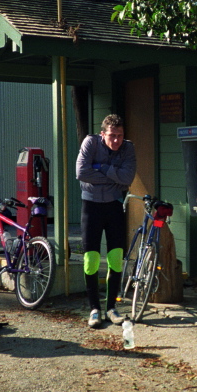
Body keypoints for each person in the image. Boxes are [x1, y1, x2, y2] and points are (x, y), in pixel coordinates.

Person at [75, 114, 136, 328]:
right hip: (90, 207)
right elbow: (81, 172)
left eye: (120, 136)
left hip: (114, 207)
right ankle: (94, 309)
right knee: (91, 259)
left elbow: (128, 178)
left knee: (116, 258)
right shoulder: (90, 142)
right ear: (103, 134)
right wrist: (113, 177)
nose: (116, 140)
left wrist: (100, 168)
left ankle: (111, 308)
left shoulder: (128, 148)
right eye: (112, 136)